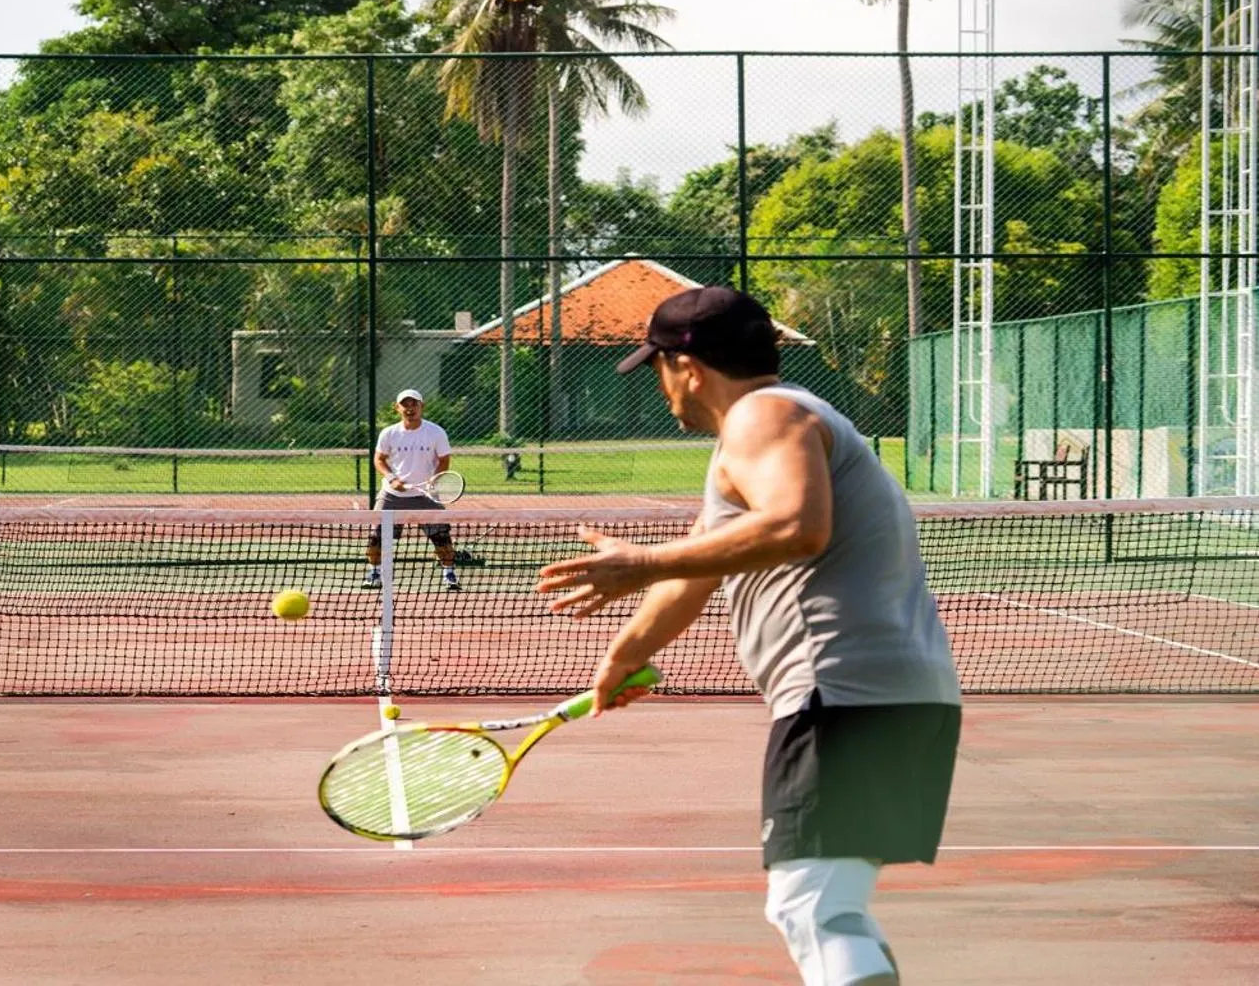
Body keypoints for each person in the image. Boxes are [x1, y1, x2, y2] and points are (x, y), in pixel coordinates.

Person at [534, 287, 961, 986]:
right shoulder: (776, 422)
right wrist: (623, 657)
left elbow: (797, 526)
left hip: (843, 694)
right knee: (827, 908)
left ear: (686, 367)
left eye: (657, 367)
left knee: (813, 907)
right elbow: (699, 568)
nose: (660, 385)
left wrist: (641, 562)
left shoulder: (764, 415)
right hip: (892, 696)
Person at [364, 388, 460, 592]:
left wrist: (434, 480)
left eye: (413, 404)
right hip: (392, 495)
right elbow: (379, 459)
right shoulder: (389, 433)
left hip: (426, 495)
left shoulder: (436, 432)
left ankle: (449, 574)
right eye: (405, 404)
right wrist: (391, 479)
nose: (410, 408)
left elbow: (444, 460)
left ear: (421, 406)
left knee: (441, 537)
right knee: (376, 537)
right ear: (397, 408)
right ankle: (374, 573)